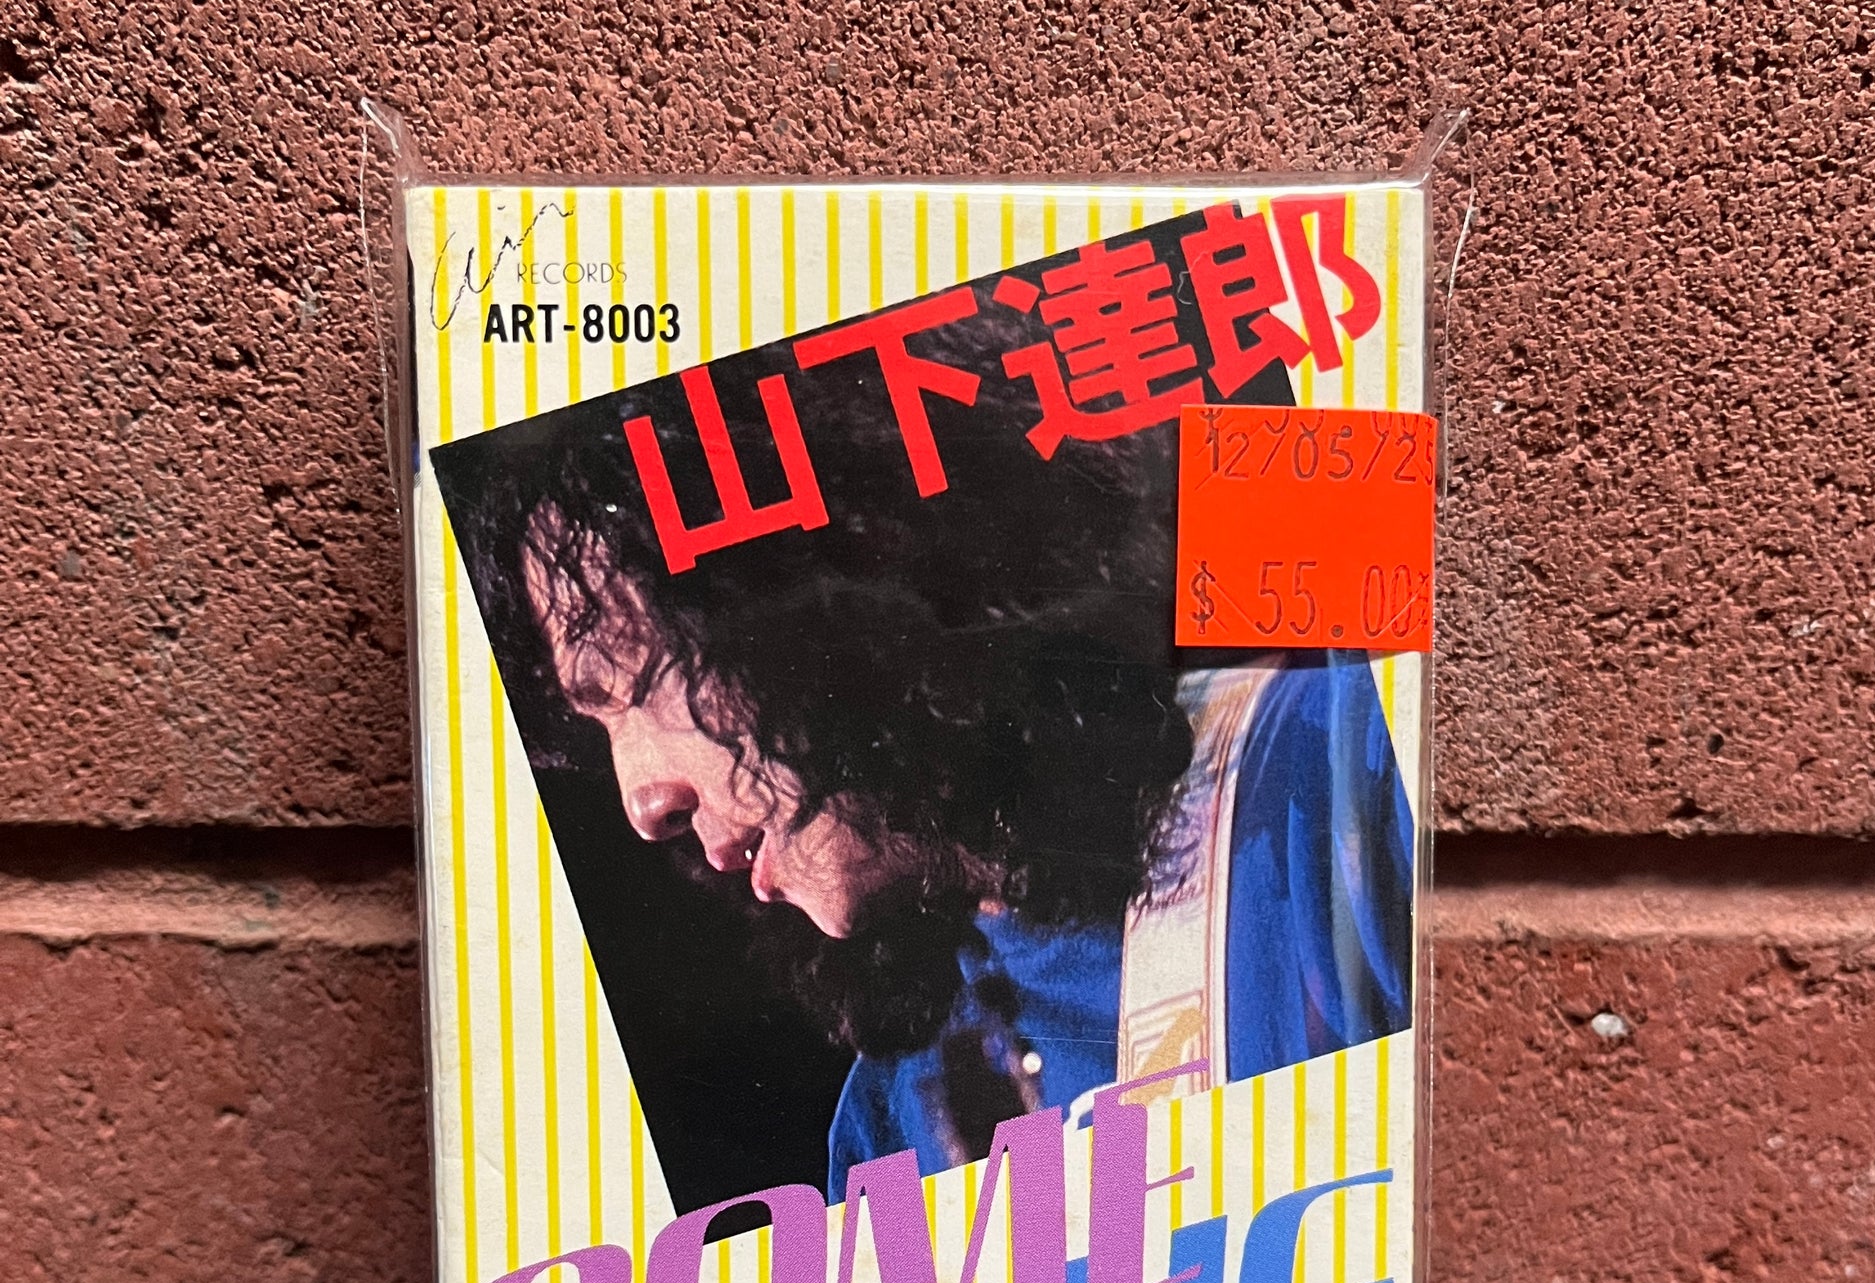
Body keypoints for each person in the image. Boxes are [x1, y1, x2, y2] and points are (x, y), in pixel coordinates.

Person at [441, 301, 1415, 1201]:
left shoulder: (1334, 784)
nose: (641, 803)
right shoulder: (887, 1130)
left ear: (811, 576)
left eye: (630, 678)